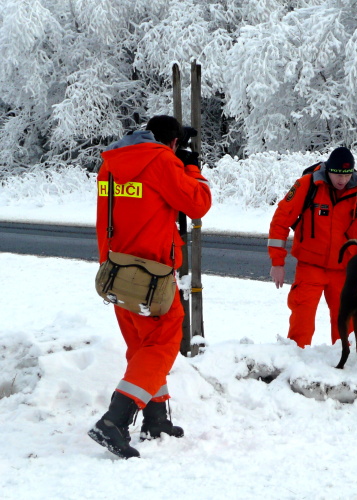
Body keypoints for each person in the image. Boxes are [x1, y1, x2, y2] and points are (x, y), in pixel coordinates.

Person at [89, 115, 212, 458]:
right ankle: (114, 420)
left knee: (144, 349)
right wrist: (190, 168)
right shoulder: (160, 161)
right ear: (172, 143)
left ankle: (155, 419)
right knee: (164, 343)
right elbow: (198, 203)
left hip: (116, 272)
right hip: (152, 277)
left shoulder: (111, 163)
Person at [268, 147, 357, 348]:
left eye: (347, 175)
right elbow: (280, 220)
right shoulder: (307, 185)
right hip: (310, 266)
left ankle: (345, 362)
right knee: (302, 319)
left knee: (346, 323)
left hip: (346, 270)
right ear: (328, 169)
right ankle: (296, 361)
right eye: (338, 174)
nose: (342, 180)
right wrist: (277, 263)